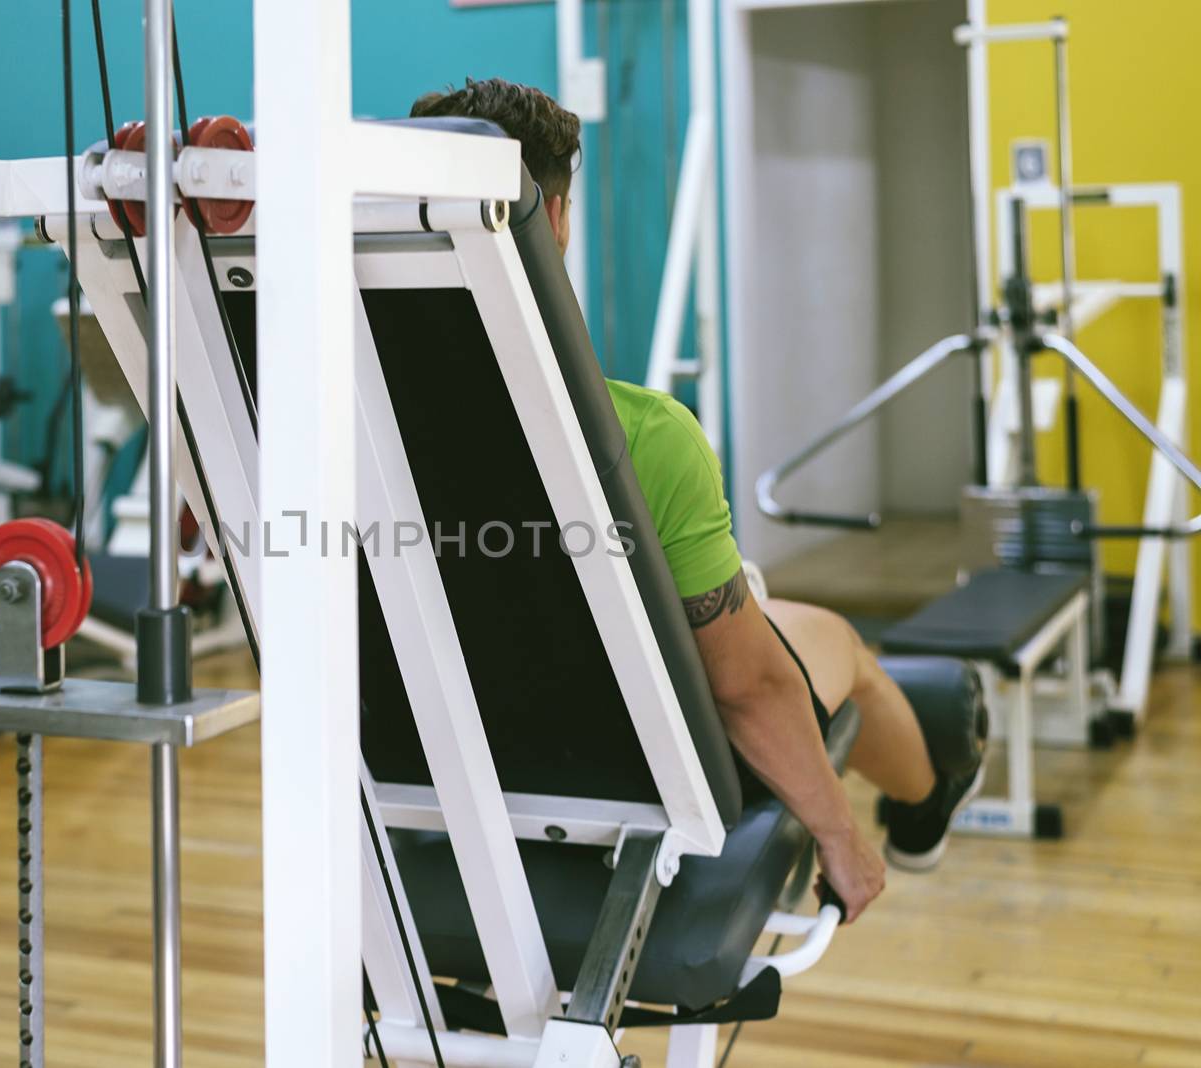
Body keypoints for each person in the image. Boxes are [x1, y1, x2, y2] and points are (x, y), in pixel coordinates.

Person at [411, 78, 983, 923]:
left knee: (755, 610)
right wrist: (841, 841)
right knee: (842, 651)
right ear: (555, 219)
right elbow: (746, 691)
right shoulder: (641, 436)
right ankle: (924, 810)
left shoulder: (350, 432)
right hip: (632, 752)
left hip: (447, 750)